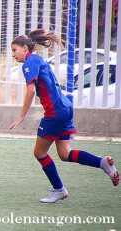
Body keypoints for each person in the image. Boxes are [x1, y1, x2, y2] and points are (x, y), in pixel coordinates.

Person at [9, 28, 119, 203]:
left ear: (24, 48)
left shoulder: (29, 63)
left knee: (39, 152)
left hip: (55, 112)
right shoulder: (38, 59)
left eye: (14, 50)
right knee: (64, 153)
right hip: (65, 108)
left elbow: (30, 90)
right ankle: (102, 163)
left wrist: (22, 115)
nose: (13, 55)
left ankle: (59, 189)